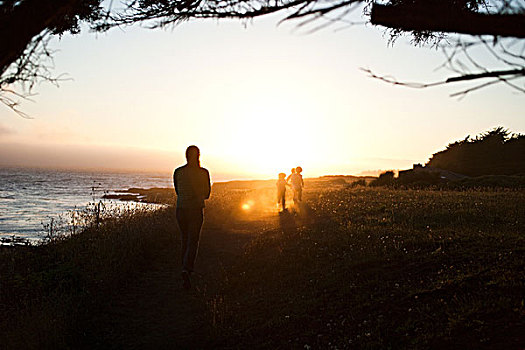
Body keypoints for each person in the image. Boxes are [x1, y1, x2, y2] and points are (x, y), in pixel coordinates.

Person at [173, 145, 211, 289]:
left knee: (184, 239)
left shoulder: (178, 172)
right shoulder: (203, 173)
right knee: (193, 241)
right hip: (195, 209)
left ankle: (184, 268)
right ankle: (187, 269)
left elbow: (177, 191)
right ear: (198, 156)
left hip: (181, 209)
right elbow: (207, 194)